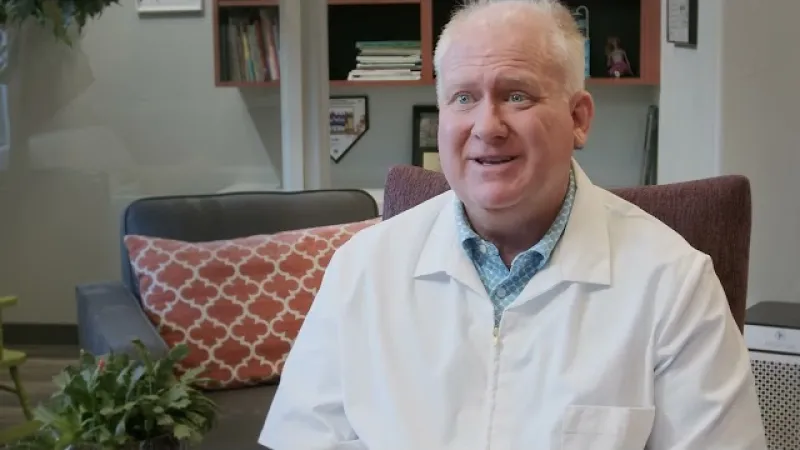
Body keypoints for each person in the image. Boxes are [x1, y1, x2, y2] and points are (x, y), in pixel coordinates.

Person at [259, 0, 767, 448]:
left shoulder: (673, 283)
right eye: (463, 98)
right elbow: (301, 436)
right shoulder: (362, 269)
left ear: (579, 119)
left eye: (517, 95)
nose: (486, 126)